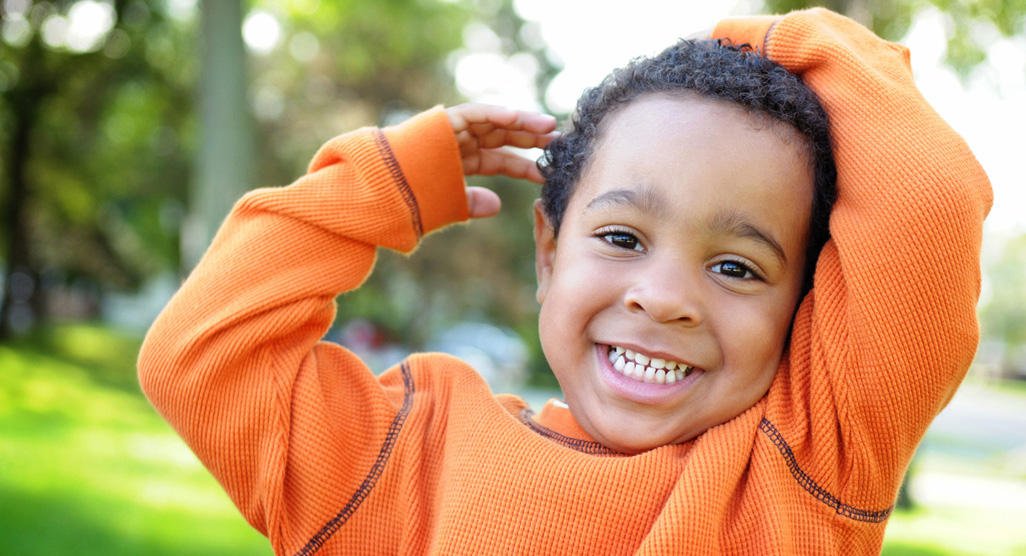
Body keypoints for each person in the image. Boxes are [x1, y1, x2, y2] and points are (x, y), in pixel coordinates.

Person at [138, 7, 991, 555]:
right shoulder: (408, 451)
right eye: (622, 236)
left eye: (737, 266)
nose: (662, 296)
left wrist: (758, 45)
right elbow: (202, 354)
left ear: (802, 309)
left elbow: (929, 199)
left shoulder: (805, 471)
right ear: (548, 252)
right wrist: (384, 182)